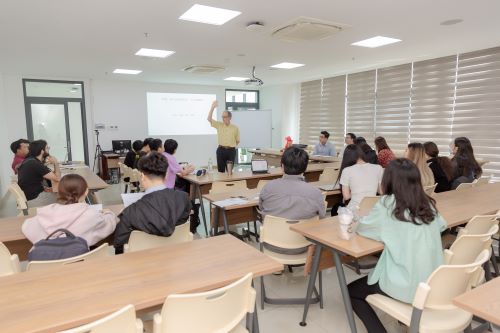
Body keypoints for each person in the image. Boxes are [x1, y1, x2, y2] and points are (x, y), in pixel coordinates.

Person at [348, 159, 446, 333]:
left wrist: (359, 221)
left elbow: (364, 229)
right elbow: (442, 225)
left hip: (405, 283)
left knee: (352, 292)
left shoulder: (387, 204)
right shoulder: (428, 203)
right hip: (433, 282)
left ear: (389, 180)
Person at [114, 152, 191, 253]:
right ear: (167, 174)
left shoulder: (130, 212)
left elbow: (119, 246)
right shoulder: (184, 198)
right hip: (176, 256)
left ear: (142, 176)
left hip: (142, 264)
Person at [22, 174, 118, 246]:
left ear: (60, 192)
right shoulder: (90, 214)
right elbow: (108, 225)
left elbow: (27, 226)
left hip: (49, 266)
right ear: (86, 191)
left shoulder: (47, 212)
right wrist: (109, 213)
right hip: (81, 263)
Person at [259, 147, 325, 220]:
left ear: (282, 166)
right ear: (305, 168)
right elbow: (321, 217)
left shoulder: (268, 187)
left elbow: (262, 208)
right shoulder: (316, 193)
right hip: (301, 231)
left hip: (273, 230)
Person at [339, 144, 383, 211]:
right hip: (374, 209)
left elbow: (346, 197)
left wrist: (356, 191)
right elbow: (381, 191)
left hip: (355, 210)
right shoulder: (378, 168)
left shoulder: (347, 170)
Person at [17, 140, 60, 208]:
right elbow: (57, 178)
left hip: (29, 196)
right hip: (34, 200)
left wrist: (43, 188)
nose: (48, 149)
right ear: (42, 151)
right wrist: (56, 163)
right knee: (66, 196)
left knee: (59, 191)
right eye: (47, 147)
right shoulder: (35, 164)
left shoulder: (30, 160)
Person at [207, 100, 240, 173]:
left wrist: (230, 146)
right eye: (222, 117)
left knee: (229, 171)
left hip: (231, 151)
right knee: (221, 171)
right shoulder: (219, 125)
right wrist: (212, 107)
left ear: (229, 117)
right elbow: (209, 119)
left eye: (225, 117)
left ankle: (229, 183)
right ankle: (221, 184)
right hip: (221, 150)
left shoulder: (235, 128)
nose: (223, 118)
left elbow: (237, 141)